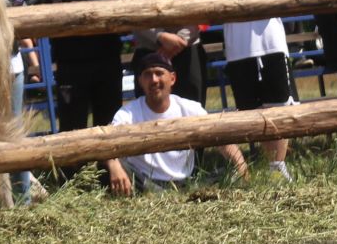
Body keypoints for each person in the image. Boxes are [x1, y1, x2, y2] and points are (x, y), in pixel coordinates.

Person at [209, 0, 293, 178]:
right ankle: (258, 167)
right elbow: (222, 5)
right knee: (249, 110)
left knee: (279, 106)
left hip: (270, 45)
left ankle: (277, 166)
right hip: (238, 50)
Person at [102, 53, 244, 194]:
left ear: (172, 78)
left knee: (228, 175)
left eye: (159, 73)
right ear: (140, 81)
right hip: (143, 182)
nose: (154, 80)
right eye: (147, 74)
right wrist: (114, 167)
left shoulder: (190, 108)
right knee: (117, 167)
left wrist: (241, 166)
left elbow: (220, 137)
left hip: (186, 182)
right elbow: (108, 140)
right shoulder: (128, 113)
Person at [38, 0, 126, 133]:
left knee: (109, 123)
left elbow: (120, 15)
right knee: (72, 126)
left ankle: (110, 168)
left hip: (107, 62)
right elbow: (56, 19)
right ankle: (74, 168)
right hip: (71, 65)